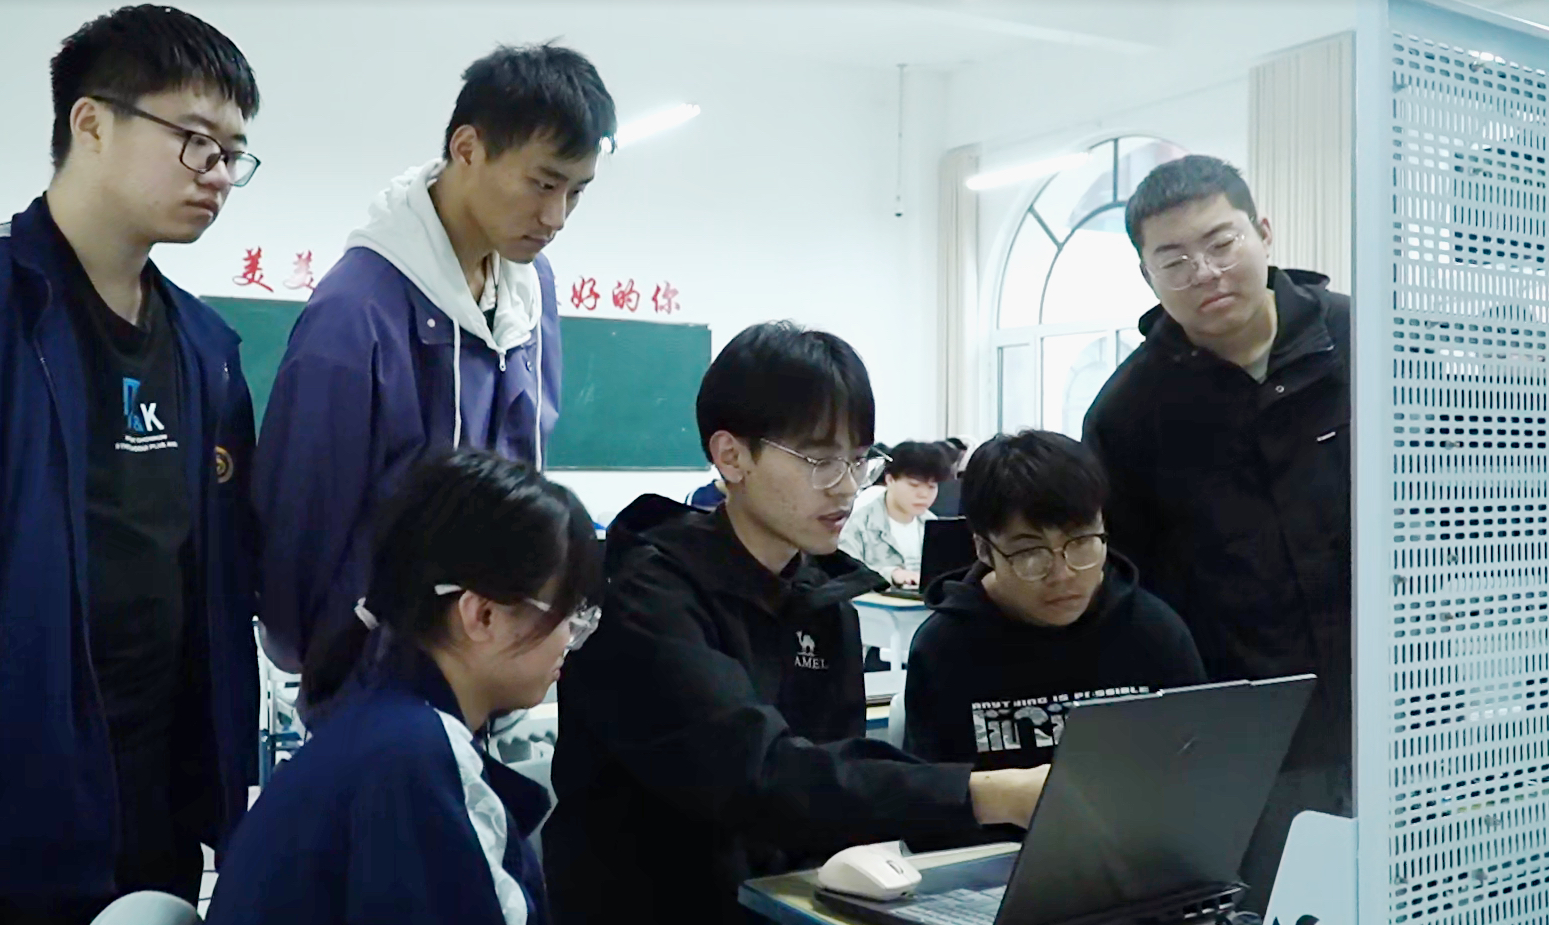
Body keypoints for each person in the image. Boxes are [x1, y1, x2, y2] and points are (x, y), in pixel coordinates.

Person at [0, 7, 262, 922]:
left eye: (233, 152)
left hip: (150, 818)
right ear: (91, 122)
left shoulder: (207, 348)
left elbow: (218, 587)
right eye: (195, 140)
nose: (219, 173)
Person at [545, 322, 1049, 924]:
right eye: (820, 461)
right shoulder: (645, 597)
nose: (845, 487)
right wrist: (987, 793)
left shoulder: (824, 597)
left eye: (858, 461)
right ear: (731, 456)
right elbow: (757, 776)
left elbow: (835, 784)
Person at [255, 44, 617, 672]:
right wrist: (327, 663)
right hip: (376, 669)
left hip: (490, 656)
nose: (556, 216)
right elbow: (303, 523)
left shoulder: (531, 290)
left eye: (576, 191)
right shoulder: (356, 312)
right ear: (468, 149)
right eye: (542, 183)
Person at [1081, 154, 1351, 909]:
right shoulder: (1128, 414)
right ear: (1147, 276)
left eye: (1221, 242)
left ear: (1263, 232)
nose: (1204, 272)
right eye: (1173, 260)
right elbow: (1132, 592)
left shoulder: (1368, 345)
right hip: (1252, 735)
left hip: (1408, 703)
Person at [206, 449, 600, 925]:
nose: (571, 636)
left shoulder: (395, 724)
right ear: (483, 616)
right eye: (568, 613)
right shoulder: (413, 760)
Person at [903, 430, 1205, 776]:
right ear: (984, 549)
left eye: (1082, 541)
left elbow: (1197, 770)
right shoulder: (945, 649)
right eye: (1031, 552)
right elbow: (933, 796)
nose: (1062, 574)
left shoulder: (1154, 634)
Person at [838, 440, 953, 589]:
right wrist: (891, 574)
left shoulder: (933, 525)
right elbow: (844, 578)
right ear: (890, 480)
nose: (924, 494)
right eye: (914, 485)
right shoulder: (859, 526)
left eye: (931, 487)